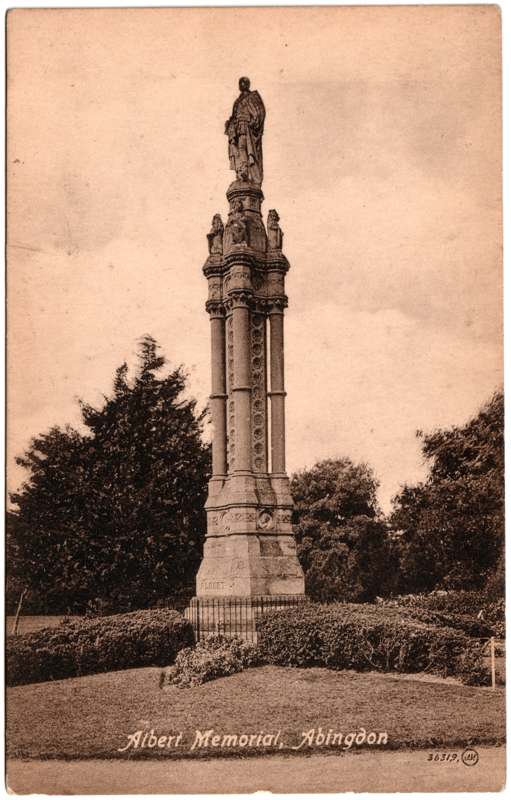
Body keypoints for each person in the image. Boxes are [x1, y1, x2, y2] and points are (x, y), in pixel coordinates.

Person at [225, 77, 266, 184]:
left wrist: (253, 122)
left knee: (244, 147)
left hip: (246, 127)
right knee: (239, 149)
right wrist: (230, 123)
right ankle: (242, 169)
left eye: (243, 83)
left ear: (247, 84)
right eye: (240, 83)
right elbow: (234, 116)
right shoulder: (237, 101)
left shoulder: (252, 97)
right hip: (238, 128)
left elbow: (258, 112)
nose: (241, 85)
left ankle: (245, 169)